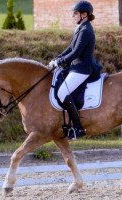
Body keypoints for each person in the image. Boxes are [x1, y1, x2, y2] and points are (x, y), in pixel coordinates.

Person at [49, 0, 102, 140]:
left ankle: (78, 127)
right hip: (75, 66)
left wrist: (60, 61)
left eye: (76, 13)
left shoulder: (85, 30)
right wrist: (57, 57)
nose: (73, 16)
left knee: (62, 93)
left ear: (84, 14)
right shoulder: (81, 28)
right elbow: (70, 48)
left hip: (82, 68)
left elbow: (76, 52)